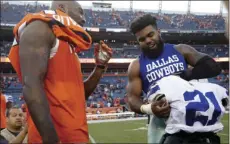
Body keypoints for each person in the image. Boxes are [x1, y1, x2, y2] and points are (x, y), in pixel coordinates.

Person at [8, 0, 112, 143]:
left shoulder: (67, 44)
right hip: (55, 138)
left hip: (75, 135)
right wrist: (51, 140)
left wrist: (99, 67)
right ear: (62, 7)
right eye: (80, 12)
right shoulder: (40, 27)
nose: (84, 19)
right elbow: (31, 86)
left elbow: (78, 95)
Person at [126, 14, 222, 143]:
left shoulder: (180, 50)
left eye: (150, 35)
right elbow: (132, 98)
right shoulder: (136, 65)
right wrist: (149, 108)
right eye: (142, 39)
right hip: (161, 124)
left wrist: (183, 76)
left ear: (158, 32)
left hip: (191, 120)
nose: (148, 40)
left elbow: (213, 67)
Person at [146, 75, 228, 144]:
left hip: (179, 137)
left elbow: (155, 99)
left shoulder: (167, 83)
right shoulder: (217, 88)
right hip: (210, 138)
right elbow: (224, 103)